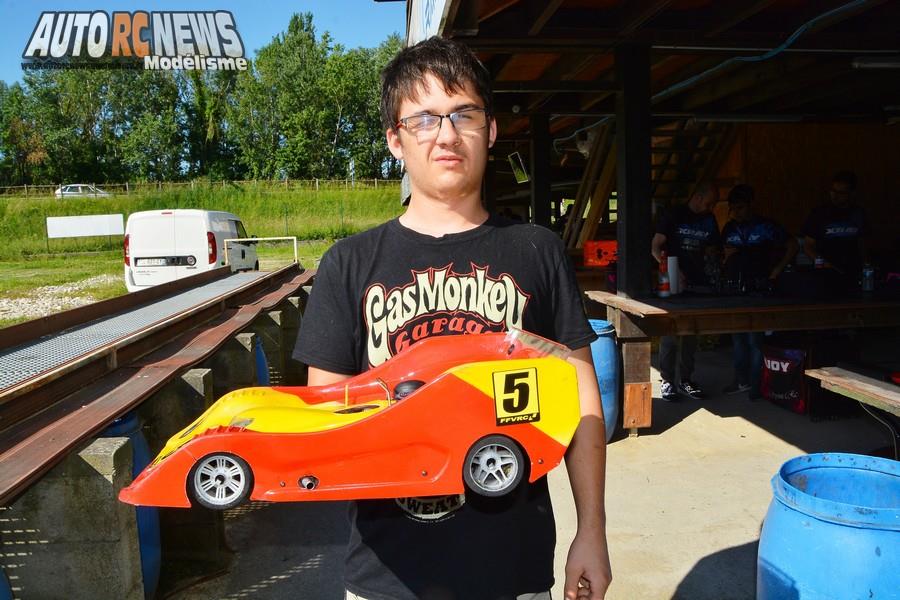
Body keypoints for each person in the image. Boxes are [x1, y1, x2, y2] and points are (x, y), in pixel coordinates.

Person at [293, 37, 612, 600]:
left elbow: (582, 395)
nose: (445, 134)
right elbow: (328, 408)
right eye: (423, 119)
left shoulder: (536, 250)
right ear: (395, 139)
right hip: (385, 576)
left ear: (489, 131)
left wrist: (593, 530)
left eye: (463, 114)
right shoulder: (349, 262)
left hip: (514, 571)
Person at [720, 184, 798, 400]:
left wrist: (777, 270)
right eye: (732, 208)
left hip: (759, 290)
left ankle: (756, 386)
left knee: (755, 341)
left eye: (741, 207)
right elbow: (720, 254)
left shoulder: (767, 227)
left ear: (751, 205)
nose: (736, 212)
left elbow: (792, 245)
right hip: (734, 290)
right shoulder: (729, 228)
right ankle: (740, 381)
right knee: (738, 339)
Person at [651, 182, 720, 401]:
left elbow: (713, 248)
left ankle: (686, 379)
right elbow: (655, 246)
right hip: (672, 281)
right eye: (710, 202)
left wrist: (713, 262)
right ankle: (667, 380)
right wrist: (670, 270)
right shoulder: (674, 214)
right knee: (670, 333)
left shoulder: (709, 220)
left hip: (699, 283)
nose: (712, 206)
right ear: (698, 197)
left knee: (691, 333)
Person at [801, 171, 869, 290]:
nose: (835, 195)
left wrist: (865, 265)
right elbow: (808, 246)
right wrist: (824, 264)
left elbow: (863, 242)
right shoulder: (819, 214)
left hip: (852, 271)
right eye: (833, 191)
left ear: (852, 193)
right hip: (825, 274)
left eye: (841, 193)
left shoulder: (859, 214)